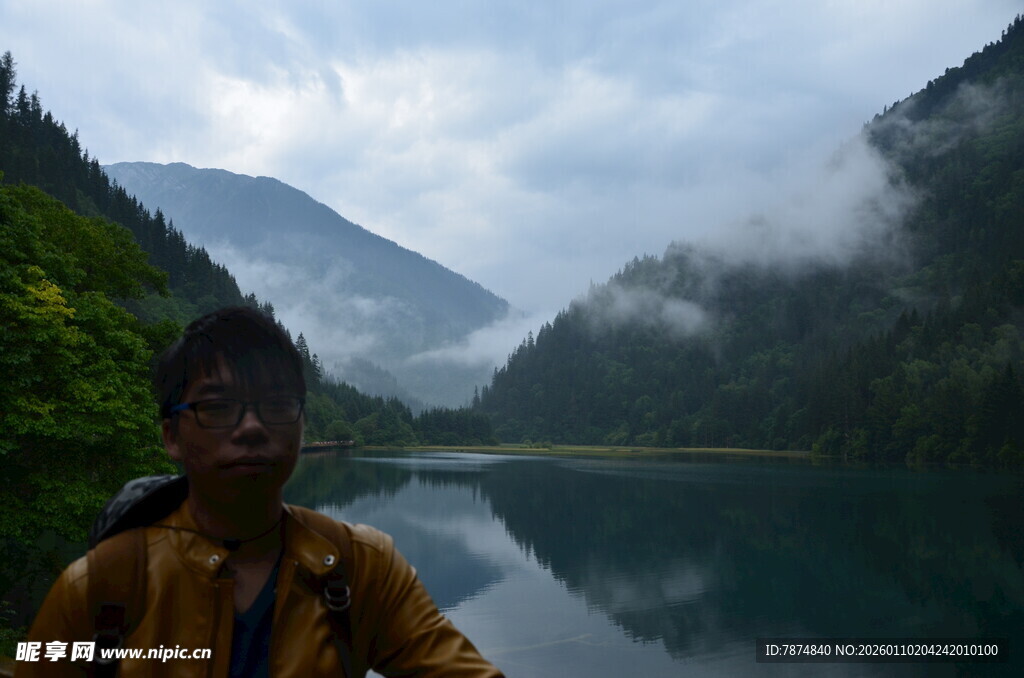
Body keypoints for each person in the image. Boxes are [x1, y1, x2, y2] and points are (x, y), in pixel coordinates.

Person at [19, 306, 503, 677]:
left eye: (276, 404)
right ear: (170, 435)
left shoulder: (360, 568)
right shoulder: (104, 584)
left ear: (301, 424)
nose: (251, 428)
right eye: (218, 406)